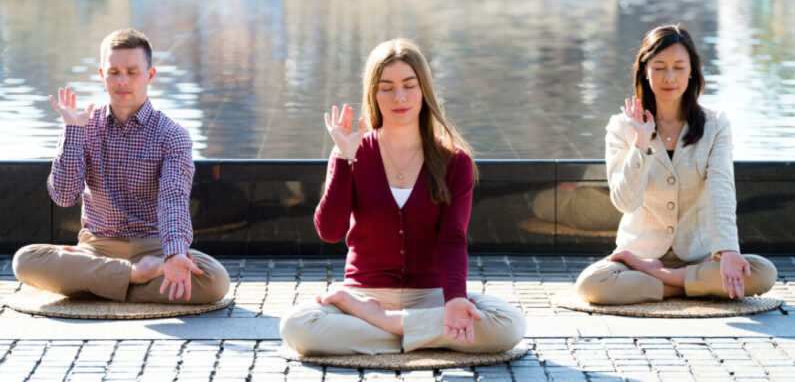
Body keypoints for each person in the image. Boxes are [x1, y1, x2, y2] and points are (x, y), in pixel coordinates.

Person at [280, 39, 525, 355]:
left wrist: (454, 300)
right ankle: (421, 333)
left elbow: (452, 239)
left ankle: (384, 324)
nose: (399, 97)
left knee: (508, 324)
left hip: (431, 295)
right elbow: (329, 231)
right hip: (363, 292)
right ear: (374, 93)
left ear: (424, 90)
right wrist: (344, 158)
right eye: (387, 87)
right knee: (297, 326)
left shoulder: (454, 160)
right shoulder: (351, 150)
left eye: (409, 85)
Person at [12, 28, 230, 304]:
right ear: (102, 75)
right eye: (114, 72)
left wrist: (174, 254)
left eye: (132, 71)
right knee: (25, 261)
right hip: (97, 247)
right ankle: (133, 277)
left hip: (154, 249)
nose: (122, 81)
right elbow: (64, 196)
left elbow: (173, 199)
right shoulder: (83, 126)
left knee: (214, 280)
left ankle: (98, 283)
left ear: (150, 76)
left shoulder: (172, 135)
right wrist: (72, 132)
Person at [574, 25, 777, 305]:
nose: (669, 77)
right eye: (659, 67)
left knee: (764, 273)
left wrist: (728, 250)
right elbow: (625, 202)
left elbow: (721, 188)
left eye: (679, 67)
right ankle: (690, 285)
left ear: (691, 70)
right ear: (645, 70)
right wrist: (641, 143)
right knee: (591, 285)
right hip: (638, 255)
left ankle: (662, 280)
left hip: (700, 255)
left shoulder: (715, 124)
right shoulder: (621, 126)